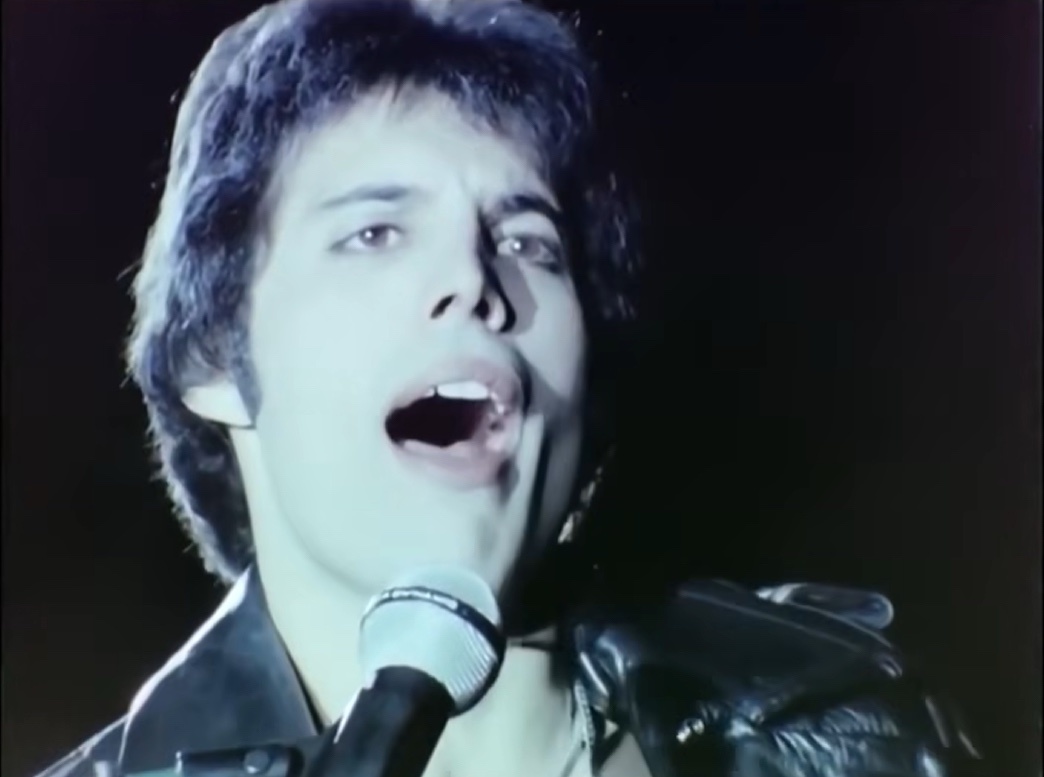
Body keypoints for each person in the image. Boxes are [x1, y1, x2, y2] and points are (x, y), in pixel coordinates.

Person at [37, 1, 985, 776]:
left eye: (529, 241)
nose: (475, 280)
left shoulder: (847, 723)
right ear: (212, 358)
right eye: (374, 233)